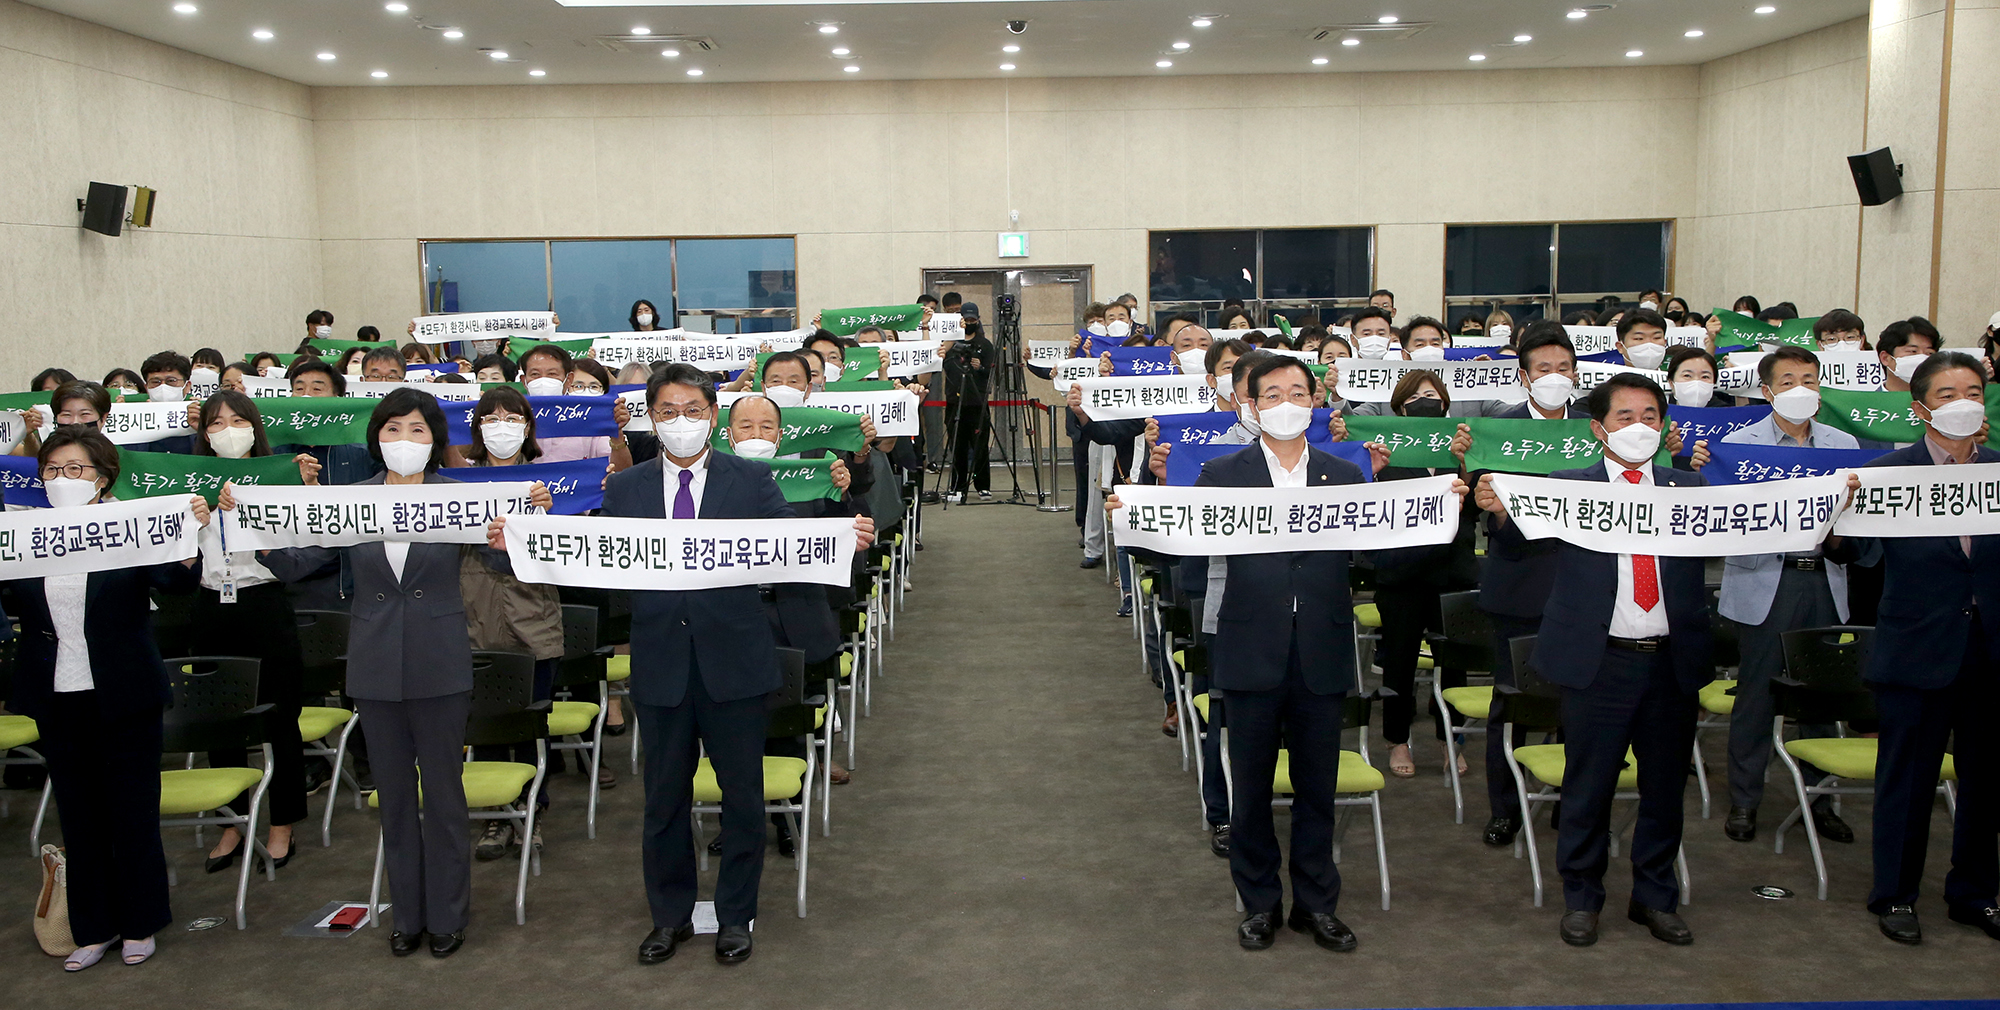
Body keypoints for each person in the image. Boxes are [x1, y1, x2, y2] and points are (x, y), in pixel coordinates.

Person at [568, 363, 870, 966]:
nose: (680, 422)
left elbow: (788, 544)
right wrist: (524, 536)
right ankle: (669, 917)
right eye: (667, 412)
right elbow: (600, 562)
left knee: (742, 800)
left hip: (735, 662)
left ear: (713, 416)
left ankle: (736, 916)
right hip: (661, 664)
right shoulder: (624, 489)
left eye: (693, 411)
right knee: (663, 802)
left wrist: (842, 534)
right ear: (652, 418)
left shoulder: (751, 479)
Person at [253, 388, 549, 959]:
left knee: (443, 795)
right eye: (393, 429)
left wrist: (521, 523)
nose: (404, 440)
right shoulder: (350, 501)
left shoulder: (459, 498)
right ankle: (407, 915)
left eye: (417, 429)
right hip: (374, 662)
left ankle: (448, 915)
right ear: (377, 437)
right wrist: (241, 525)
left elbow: (503, 561)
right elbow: (297, 562)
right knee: (392, 799)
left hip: (441, 660)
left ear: (435, 440)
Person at [1126, 356, 1407, 954]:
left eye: (1298, 392)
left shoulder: (1343, 475)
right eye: (1272, 393)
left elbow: (1373, 555)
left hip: (1322, 647)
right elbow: (1182, 548)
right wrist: (1141, 509)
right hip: (1249, 646)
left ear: (1315, 402)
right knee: (1251, 788)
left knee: (1317, 786)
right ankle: (1259, 903)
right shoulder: (1223, 473)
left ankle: (1316, 904)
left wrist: (1430, 502)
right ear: (1251, 406)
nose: (1286, 403)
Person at [1475, 372, 1710, 948]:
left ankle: (1655, 897)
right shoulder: (1568, 487)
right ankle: (1581, 896)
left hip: (1671, 662)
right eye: (1626, 417)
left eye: (1650, 416)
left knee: (1664, 789)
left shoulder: (1688, 488)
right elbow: (1518, 541)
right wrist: (1500, 513)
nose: (1640, 427)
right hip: (1598, 661)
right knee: (1589, 786)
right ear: (1599, 429)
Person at [7, 427, 209, 971]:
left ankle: (140, 922)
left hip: (124, 690)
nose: (63, 478)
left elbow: (176, 583)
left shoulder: (128, 524)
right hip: (56, 692)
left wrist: (190, 533)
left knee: (131, 811)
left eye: (76, 469)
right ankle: (92, 927)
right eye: (53, 469)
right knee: (78, 813)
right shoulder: (27, 531)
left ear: (102, 478)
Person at [1846, 350, 2000, 946]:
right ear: (1920, 409)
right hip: (1916, 650)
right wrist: (1842, 513)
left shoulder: (1998, 472)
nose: (1962, 404)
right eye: (1946, 395)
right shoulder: (1886, 475)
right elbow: (1853, 554)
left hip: (1990, 651)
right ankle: (1895, 895)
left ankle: (1975, 893)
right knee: (1907, 782)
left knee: (1987, 781)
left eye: (1972, 393)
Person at [1713, 346, 1864, 846]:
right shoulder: (1739, 445)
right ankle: (1745, 799)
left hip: (1824, 578)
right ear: (1766, 390)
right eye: (1788, 381)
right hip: (1765, 580)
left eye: (1809, 380)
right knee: (1756, 697)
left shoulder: (1843, 445)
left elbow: (1860, 522)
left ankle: (1820, 801)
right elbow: (1724, 519)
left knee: (1822, 696)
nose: (1801, 389)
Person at [189, 390, 319, 876]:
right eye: (216, 423)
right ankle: (232, 821)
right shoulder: (186, 481)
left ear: (255, 427)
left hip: (264, 603)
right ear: (204, 434)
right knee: (218, 718)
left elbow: (306, 543)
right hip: (210, 604)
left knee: (280, 719)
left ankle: (283, 821)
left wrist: (304, 486)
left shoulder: (281, 476)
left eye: (238, 421)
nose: (228, 430)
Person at [458, 386, 568, 860]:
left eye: (512, 417)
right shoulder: (454, 486)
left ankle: (532, 809)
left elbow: (571, 551)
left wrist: (548, 514)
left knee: (530, 723)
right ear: (477, 428)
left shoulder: (553, 484)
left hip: (533, 622)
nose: (501, 425)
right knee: (483, 724)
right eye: (491, 417)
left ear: (527, 427)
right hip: (473, 622)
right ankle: (495, 818)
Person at [1369, 371, 1477, 779]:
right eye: (1414, 398)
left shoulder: (1465, 445)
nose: (1425, 402)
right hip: (1403, 573)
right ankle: (1397, 739)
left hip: (1453, 572)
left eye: (1432, 395)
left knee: (1455, 664)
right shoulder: (1387, 450)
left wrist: (1466, 466)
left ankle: (1452, 740)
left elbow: (1479, 508)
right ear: (1399, 408)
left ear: (1445, 404)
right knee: (1399, 661)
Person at [943, 315, 994, 502]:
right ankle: (958, 486)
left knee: (980, 447)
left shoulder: (984, 345)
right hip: (955, 402)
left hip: (977, 403)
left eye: (973, 319)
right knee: (957, 447)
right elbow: (941, 363)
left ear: (978, 320)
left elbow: (992, 371)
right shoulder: (951, 345)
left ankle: (983, 486)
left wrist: (980, 367)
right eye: (966, 319)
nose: (969, 323)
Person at [1875, 318, 1938, 394]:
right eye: (1913, 351)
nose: (1922, 358)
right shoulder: (1867, 401)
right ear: (1885, 358)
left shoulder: (1943, 401)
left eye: (1929, 353)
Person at [1664, 346, 1735, 409]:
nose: (1696, 382)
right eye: (1687, 375)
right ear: (1671, 383)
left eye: (1705, 377)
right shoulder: (1662, 412)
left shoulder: (1725, 413)